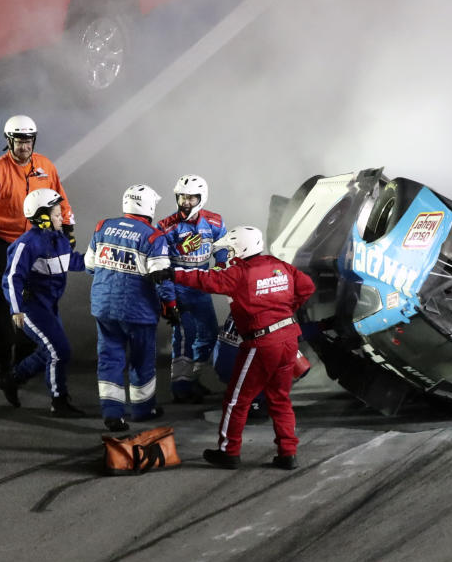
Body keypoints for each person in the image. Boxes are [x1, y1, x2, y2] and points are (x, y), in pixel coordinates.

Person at [151, 226, 315, 470]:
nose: (228, 254)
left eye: (230, 249)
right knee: (280, 400)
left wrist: (173, 274)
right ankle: (288, 453)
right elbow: (307, 287)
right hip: (289, 339)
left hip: (261, 343)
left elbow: (205, 280)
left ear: (241, 248)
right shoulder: (279, 265)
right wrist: (283, 308)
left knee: (236, 401)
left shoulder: (240, 273)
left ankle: (229, 452)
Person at [0, 115, 77, 379]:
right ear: (9, 141)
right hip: (5, 245)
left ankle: (27, 358)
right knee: (5, 303)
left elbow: (58, 198)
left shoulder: (45, 167)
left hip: (38, 245)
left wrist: (67, 227)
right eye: (19, 141)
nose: (24, 147)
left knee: (35, 301)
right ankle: (2, 359)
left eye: (28, 141)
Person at [85, 184, 179, 432]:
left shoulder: (102, 227)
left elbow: (90, 266)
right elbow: (161, 277)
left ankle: (113, 413)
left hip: (103, 307)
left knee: (109, 359)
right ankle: (142, 409)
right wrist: (170, 306)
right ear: (148, 206)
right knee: (141, 361)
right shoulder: (153, 237)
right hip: (138, 311)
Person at [0, 189, 86, 415]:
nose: (63, 218)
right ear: (43, 217)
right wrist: (16, 310)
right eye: (57, 214)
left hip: (48, 306)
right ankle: (59, 401)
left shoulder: (59, 239)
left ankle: (12, 378)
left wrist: (98, 262)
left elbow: (70, 262)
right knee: (60, 350)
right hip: (31, 307)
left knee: (50, 349)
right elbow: (11, 278)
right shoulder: (26, 244)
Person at [157, 174, 229, 403]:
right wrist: (179, 248)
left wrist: (220, 265)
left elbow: (223, 247)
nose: (185, 202)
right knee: (185, 334)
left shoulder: (215, 222)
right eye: (182, 197)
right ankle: (180, 386)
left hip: (201, 285)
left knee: (209, 334)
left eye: (191, 198)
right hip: (178, 285)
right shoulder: (166, 226)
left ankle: (192, 378)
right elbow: (157, 260)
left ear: (202, 198)